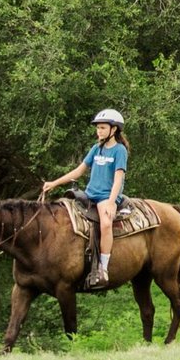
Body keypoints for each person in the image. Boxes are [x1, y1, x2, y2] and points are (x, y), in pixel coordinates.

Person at [41, 108, 129, 286]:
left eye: (103, 128)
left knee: (105, 223)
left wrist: (112, 202)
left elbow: (118, 178)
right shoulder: (96, 148)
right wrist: (54, 183)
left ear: (114, 130)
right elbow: (79, 170)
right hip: (89, 194)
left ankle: (103, 269)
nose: (99, 131)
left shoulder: (119, 151)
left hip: (106, 196)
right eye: (98, 128)